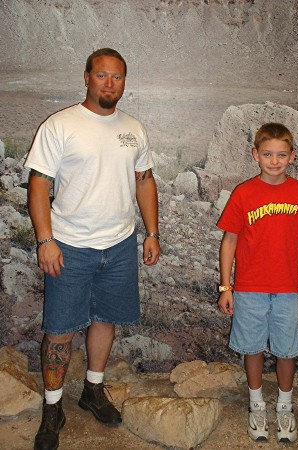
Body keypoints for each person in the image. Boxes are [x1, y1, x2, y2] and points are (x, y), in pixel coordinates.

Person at [25, 48, 160, 450]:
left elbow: (145, 180)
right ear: (86, 77)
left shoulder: (134, 128)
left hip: (118, 244)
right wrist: (45, 240)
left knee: (105, 320)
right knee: (61, 331)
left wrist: (151, 231)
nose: (109, 83)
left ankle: (92, 390)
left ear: (124, 82)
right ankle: (52, 407)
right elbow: (38, 185)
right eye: (101, 75)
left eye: (117, 77)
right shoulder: (60, 125)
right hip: (69, 245)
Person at [217, 123, 298, 444]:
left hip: (287, 290)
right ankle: (256, 404)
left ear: (292, 156)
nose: (274, 161)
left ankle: (285, 407)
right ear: (255, 155)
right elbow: (229, 241)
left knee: (287, 349)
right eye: (267, 154)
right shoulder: (244, 193)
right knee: (252, 347)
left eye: (281, 154)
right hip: (249, 289)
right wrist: (226, 286)